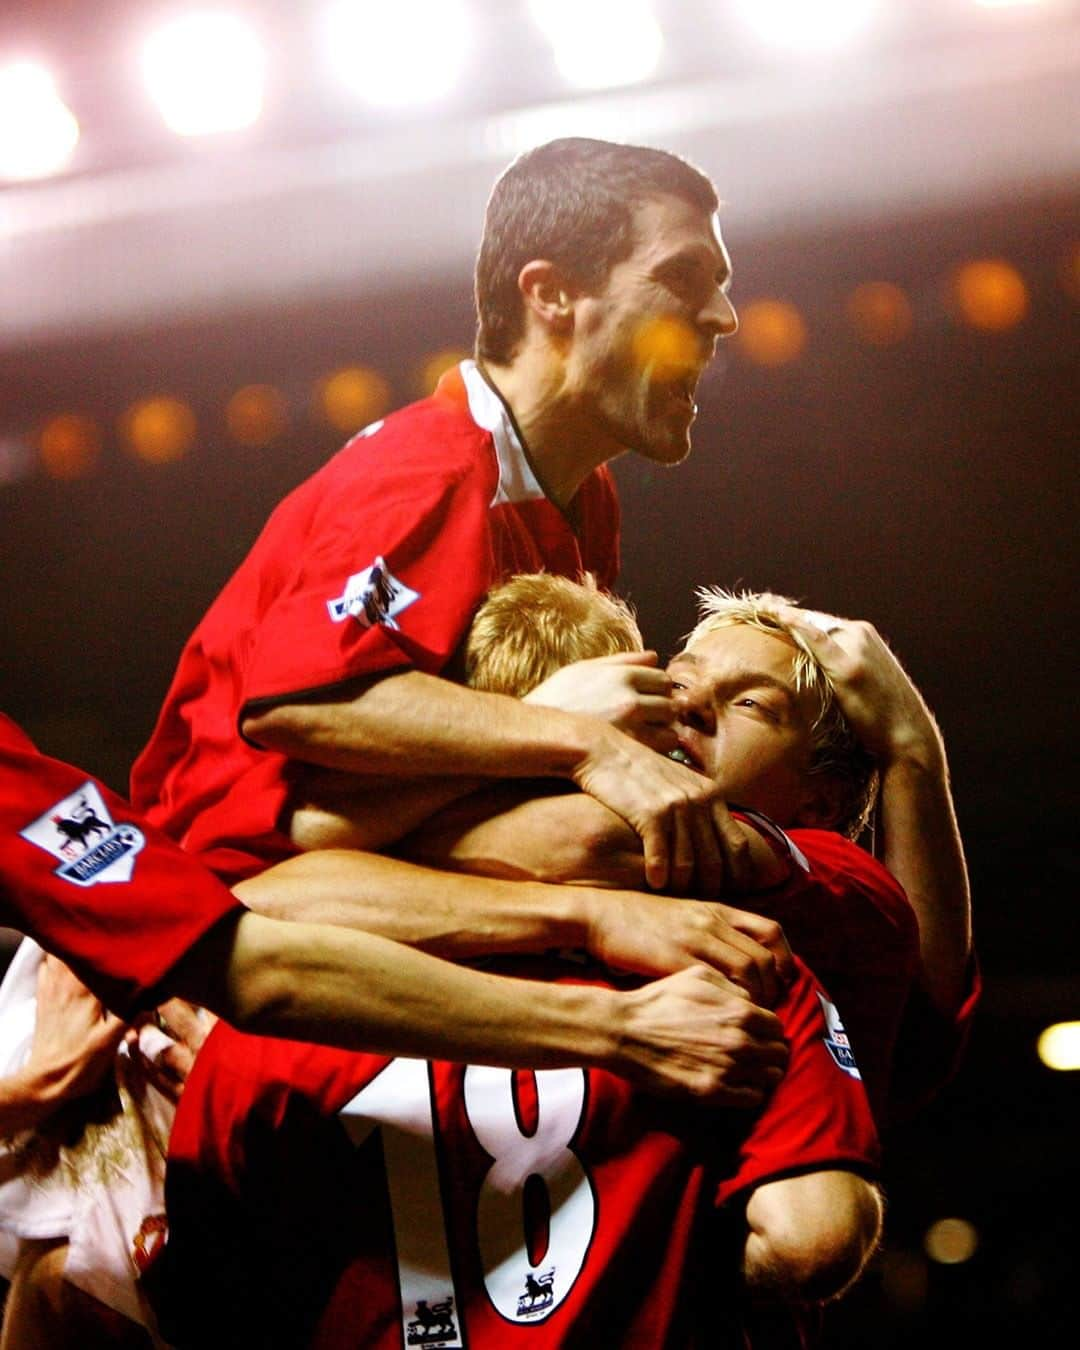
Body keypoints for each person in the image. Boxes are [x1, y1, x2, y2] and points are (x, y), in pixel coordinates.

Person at [128, 136, 751, 903]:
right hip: (224, 893)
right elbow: (302, 703)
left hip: (354, 868)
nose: (722, 316)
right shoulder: (433, 465)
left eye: (719, 284)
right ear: (551, 294)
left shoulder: (583, 497)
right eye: (681, 277)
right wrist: (576, 736)